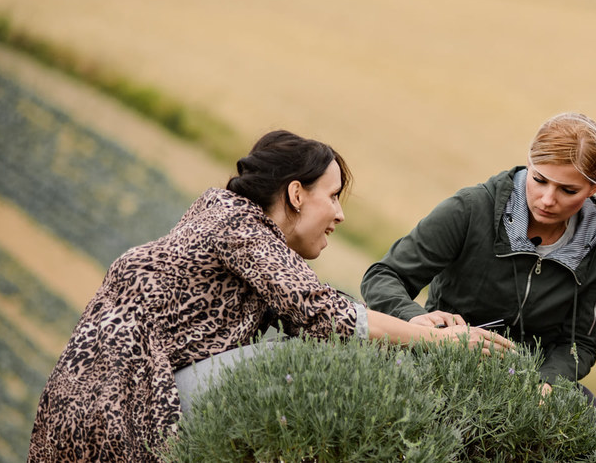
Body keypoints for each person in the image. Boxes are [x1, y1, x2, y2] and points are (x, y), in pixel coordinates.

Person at [29, 130, 511, 463]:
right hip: (122, 411)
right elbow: (323, 313)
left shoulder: (223, 224)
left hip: (71, 414)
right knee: (298, 364)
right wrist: (435, 343)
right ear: (297, 194)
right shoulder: (238, 225)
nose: (340, 215)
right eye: (334, 196)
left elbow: (316, 303)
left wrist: (413, 326)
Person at [361, 113, 596, 404]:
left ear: (594, 187)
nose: (547, 199)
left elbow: (579, 342)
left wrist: (548, 384)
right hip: (443, 368)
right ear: (529, 163)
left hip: (526, 391)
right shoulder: (471, 209)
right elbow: (383, 276)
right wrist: (420, 324)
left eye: (568, 190)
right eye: (540, 180)